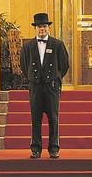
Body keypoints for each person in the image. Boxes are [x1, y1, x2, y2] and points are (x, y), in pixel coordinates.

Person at [19, 11, 69, 158]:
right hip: (35, 86)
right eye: (39, 27)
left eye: (44, 26)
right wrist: (32, 78)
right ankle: (35, 148)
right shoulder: (27, 46)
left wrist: (56, 78)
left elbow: (64, 65)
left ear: (48, 28)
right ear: (35, 28)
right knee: (35, 118)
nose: (42, 29)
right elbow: (24, 65)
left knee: (53, 118)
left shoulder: (57, 44)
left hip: (51, 86)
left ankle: (54, 148)